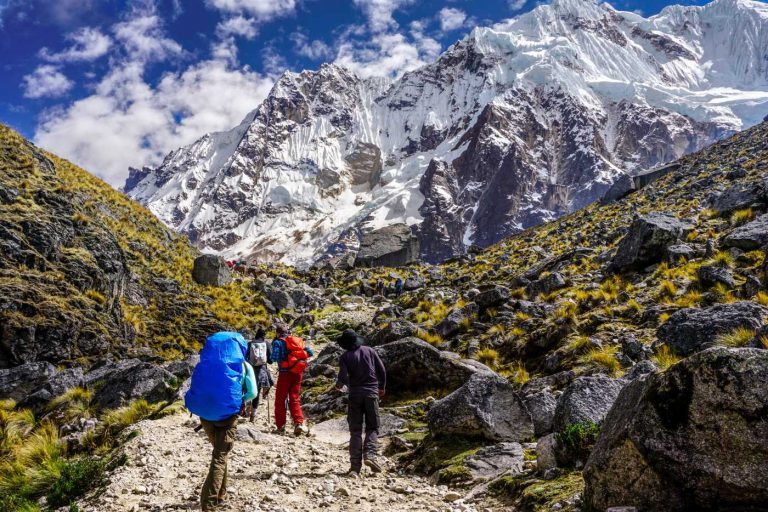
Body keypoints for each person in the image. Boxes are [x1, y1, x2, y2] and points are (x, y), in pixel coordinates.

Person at [185, 332, 257, 511]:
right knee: (219, 457)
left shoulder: (205, 364)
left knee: (220, 453)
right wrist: (241, 401)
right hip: (227, 417)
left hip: (205, 415)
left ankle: (221, 493)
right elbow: (253, 392)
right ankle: (209, 504)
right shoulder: (244, 365)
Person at [335, 329, 387, 476]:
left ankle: (354, 467)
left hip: (355, 394)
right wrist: (381, 387)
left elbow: (343, 377)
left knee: (355, 430)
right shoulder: (370, 351)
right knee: (373, 427)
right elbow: (382, 370)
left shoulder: (345, 357)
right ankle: (370, 455)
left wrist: (339, 386)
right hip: (371, 393)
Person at [271, 322, 313, 436]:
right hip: (298, 372)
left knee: (280, 400)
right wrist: (296, 357)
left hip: (285, 374)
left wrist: (285, 358)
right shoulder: (297, 340)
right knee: (294, 398)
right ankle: (299, 423)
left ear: (278, 332)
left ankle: (280, 427)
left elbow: (273, 358)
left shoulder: (278, 342)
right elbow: (310, 352)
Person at [244, 327, 275, 423]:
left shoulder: (250, 344)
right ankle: (253, 416)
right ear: (264, 336)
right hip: (262, 372)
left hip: (250, 371)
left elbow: (244, 357)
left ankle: (246, 406)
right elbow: (270, 361)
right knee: (257, 393)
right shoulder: (267, 344)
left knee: (248, 389)